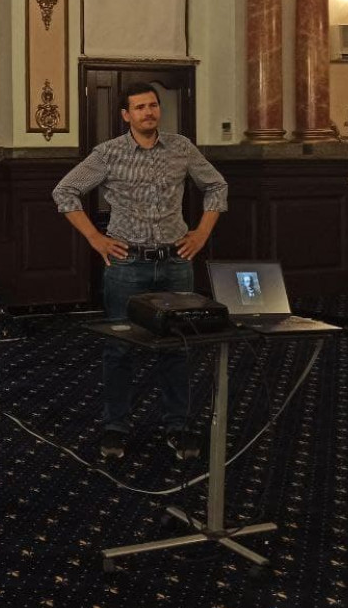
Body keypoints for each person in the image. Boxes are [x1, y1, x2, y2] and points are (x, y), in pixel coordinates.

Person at [52, 82, 227, 462]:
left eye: (153, 105)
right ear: (125, 115)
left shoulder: (181, 147)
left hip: (176, 261)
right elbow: (64, 192)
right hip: (126, 263)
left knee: (178, 347)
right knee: (119, 348)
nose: (148, 112)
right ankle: (116, 427)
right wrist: (95, 238)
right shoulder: (108, 153)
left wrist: (201, 233)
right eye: (140, 107)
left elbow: (216, 186)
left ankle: (177, 426)